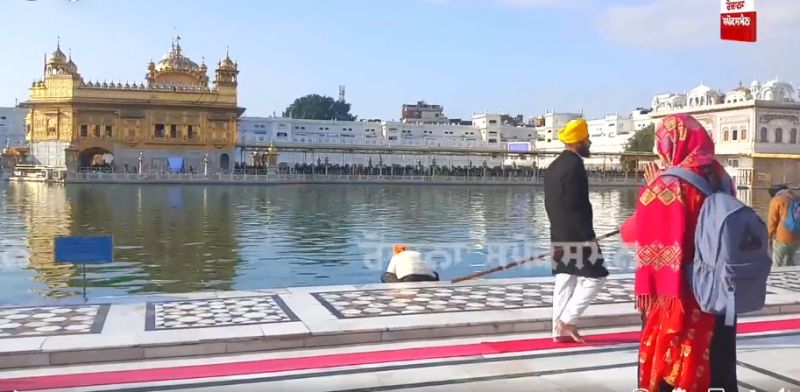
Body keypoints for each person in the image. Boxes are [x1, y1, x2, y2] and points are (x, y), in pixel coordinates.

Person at [620, 113, 738, 392]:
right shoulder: (721, 177)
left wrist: (652, 187)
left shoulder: (668, 185)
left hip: (681, 294)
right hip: (718, 290)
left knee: (673, 365)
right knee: (717, 360)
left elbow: (631, 234)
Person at [544, 117, 608, 343]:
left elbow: (552, 204)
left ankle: (558, 332)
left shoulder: (554, 166)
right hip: (577, 236)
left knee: (566, 279)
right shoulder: (575, 166)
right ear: (578, 141)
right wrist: (587, 236)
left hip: (559, 233)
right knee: (596, 277)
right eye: (587, 139)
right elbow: (577, 205)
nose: (589, 143)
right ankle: (567, 320)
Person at [767, 184, 800, 267]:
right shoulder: (797, 198)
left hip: (782, 237)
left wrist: (769, 238)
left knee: (777, 263)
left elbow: (772, 222)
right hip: (797, 236)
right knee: (790, 260)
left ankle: (776, 275)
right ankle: (792, 274)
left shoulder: (777, 200)